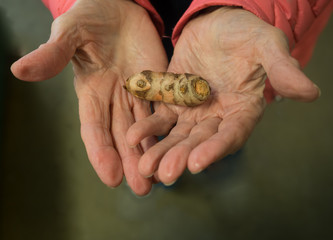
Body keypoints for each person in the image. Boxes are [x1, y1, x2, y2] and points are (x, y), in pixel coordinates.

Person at [10, 0, 332, 195]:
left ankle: (211, 170)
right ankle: (175, 178)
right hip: (124, 36)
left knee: (216, 131)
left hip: (227, 43)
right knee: (150, 137)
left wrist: (257, 7)